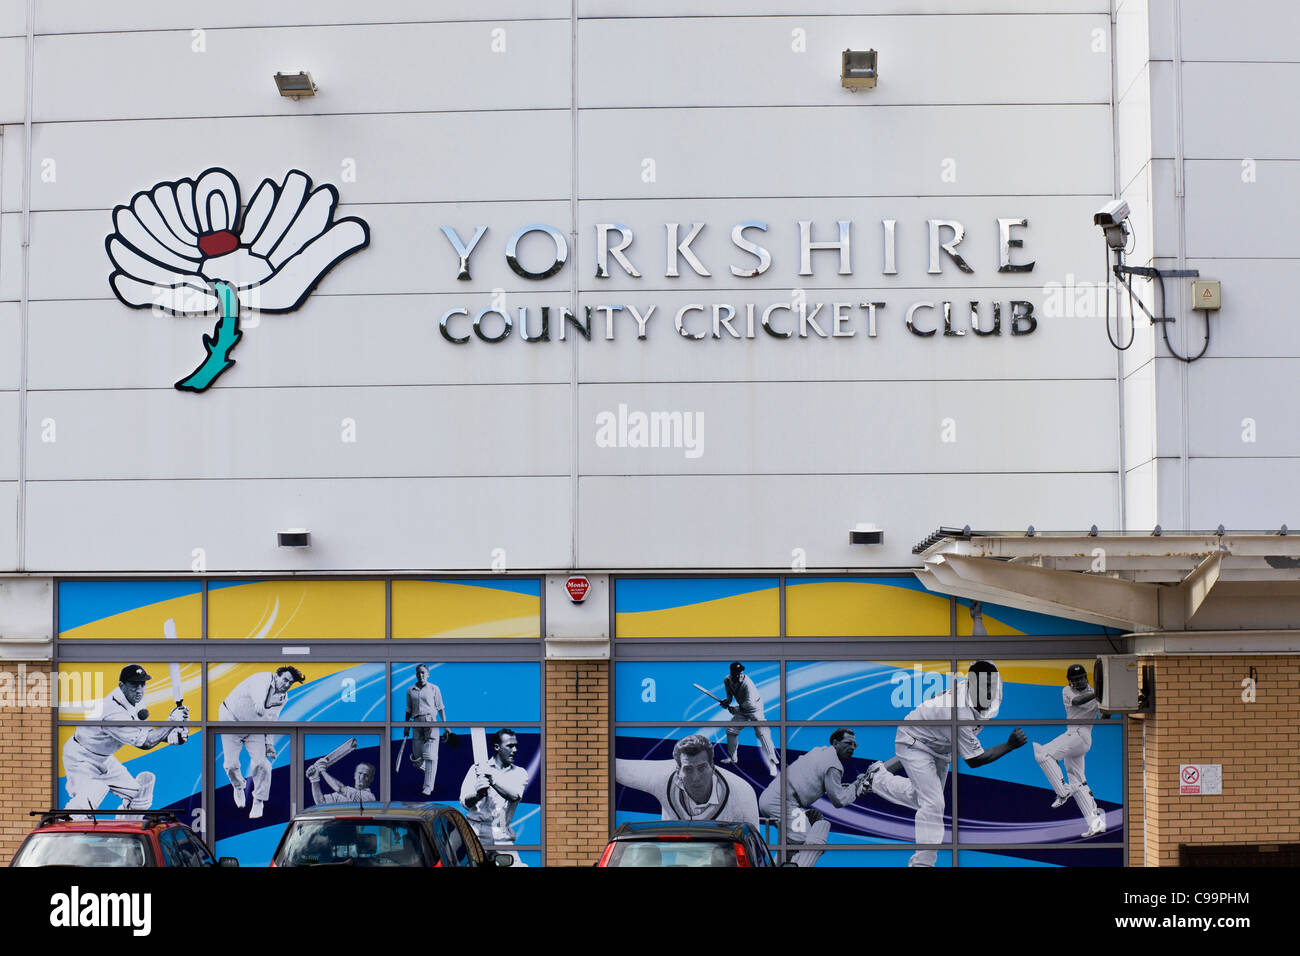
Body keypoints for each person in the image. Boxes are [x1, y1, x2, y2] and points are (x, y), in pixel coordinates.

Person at [863, 661, 1027, 866]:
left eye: (992, 686)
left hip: (942, 747)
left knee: (921, 798)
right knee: (933, 804)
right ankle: (923, 863)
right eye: (984, 687)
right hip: (915, 741)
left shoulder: (993, 687)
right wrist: (1010, 745)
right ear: (971, 684)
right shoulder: (958, 712)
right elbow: (976, 760)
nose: (989, 692)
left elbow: (981, 650)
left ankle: (876, 779)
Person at [62, 665, 189, 817]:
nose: (139, 689)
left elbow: (144, 732)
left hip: (104, 759)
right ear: (122, 686)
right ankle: (60, 831)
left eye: (142, 684)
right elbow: (146, 743)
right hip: (81, 759)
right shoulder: (114, 713)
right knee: (88, 800)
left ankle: (125, 831)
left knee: (139, 797)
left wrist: (170, 737)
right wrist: (172, 722)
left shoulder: (134, 700)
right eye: (134, 684)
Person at [758, 727, 867, 867]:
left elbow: (814, 781)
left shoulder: (819, 751)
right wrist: (856, 788)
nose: (852, 748)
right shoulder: (833, 765)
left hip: (772, 798)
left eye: (854, 745)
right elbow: (839, 800)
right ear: (835, 743)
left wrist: (847, 787)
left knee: (791, 843)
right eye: (848, 743)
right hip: (782, 803)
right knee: (807, 844)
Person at [615, 733, 760, 827]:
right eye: (688, 769)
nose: (696, 778)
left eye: (702, 768)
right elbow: (615, 767)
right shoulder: (661, 778)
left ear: (713, 768)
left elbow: (754, 849)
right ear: (678, 771)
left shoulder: (742, 793)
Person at [218, 665, 305, 820]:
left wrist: (269, 744)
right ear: (277, 676)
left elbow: (272, 719)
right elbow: (257, 693)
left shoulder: (283, 698)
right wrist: (259, 704)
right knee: (231, 765)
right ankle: (238, 786)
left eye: (290, 683)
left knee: (261, 764)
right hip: (231, 720)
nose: (286, 685)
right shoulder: (262, 678)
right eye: (285, 680)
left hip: (254, 727)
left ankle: (258, 800)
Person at [1034, 664, 1105, 838]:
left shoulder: (1096, 693)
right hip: (1073, 736)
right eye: (1075, 679)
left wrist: (1105, 703)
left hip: (1081, 734)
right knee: (1078, 780)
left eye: (1082, 677)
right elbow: (1078, 702)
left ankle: (1063, 791)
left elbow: (1105, 715)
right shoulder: (1067, 691)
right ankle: (1095, 823)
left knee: (1043, 753)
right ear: (1070, 681)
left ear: (1086, 678)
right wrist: (1102, 693)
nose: (1079, 681)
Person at [460, 729, 530, 863]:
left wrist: (493, 780)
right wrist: (478, 794)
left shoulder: (520, 773)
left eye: (516, 746)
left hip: (501, 832)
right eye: (510, 746)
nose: (514, 750)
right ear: (497, 747)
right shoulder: (476, 769)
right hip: (475, 831)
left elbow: (514, 796)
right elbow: (465, 802)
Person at [720, 662, 779, 777]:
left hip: (755, 708)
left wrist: (735, 710)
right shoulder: (727, 680)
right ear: (732, 673)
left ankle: (772, 764)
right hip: (743, 706)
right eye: (738, 673)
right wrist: (726, 702)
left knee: (763, 733)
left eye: (742, 673)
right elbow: (729, 696)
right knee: (731, 730)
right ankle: (732, 758)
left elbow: (749, 704)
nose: (741, 675)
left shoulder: (748, 685)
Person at [404, 664, 448, 796]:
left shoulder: (434, 689)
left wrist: (446, 726)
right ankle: (431, 769)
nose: (420, 675)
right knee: (416, 758)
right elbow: (408, 710)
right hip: (416, 723)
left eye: (423, 673)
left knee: (430, 756)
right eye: (418, 673)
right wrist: (406, 726)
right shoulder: (410, 690)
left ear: (428, 674)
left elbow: (440, 708)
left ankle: (428, 786)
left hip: (431, 722)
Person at [309, 761, 377, 806]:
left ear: (371, 779)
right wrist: (314, 780)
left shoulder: (369, 797)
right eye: (360, 773)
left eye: (366, 775)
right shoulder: (341, 795)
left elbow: (339, 788)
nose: (361, 777)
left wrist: (322, 771)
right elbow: (320, 802)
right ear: (354, 775)